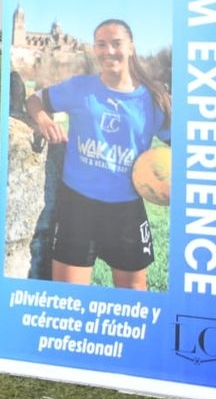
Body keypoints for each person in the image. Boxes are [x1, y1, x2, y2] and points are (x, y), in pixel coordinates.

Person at [25, 18, 170, 290]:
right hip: (78, 205)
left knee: (132, 304)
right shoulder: (80, 87)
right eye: (101, 44)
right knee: (69, 299)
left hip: (127, 210)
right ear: (94, 49)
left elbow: (182, 146)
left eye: (116, 43)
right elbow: (34, 100)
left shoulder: (152, 99)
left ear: (131, 48)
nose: (108, 51)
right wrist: (44, 120)